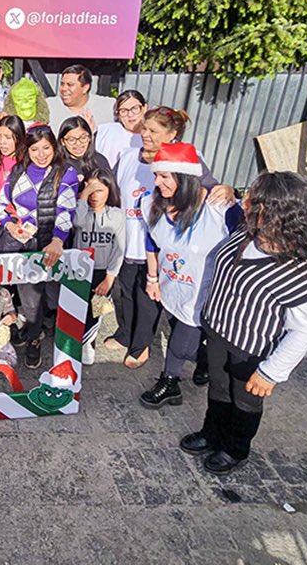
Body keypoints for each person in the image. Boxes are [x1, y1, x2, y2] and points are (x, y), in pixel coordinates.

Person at [180, 172, 307, 476]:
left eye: (253, 200)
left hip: (253, 349)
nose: (245, 202)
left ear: (279, 212)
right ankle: (212, 433)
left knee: (245, 400)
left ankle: (235, 447)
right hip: (219, 332)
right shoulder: (249, 230)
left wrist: (270, 373)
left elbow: (306, 332)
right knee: (219, 388)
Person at [111, 107, 233, 368]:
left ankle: (146, 346)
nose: (145, 134)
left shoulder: (187, 160)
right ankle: (128, 335)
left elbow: (211, 190)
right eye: (144, 128)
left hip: (168, 248)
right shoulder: (130, 156)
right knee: (128, 292)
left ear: (172, 134)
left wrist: (227, 189)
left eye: (153, 131)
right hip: (133, 241)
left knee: (154, 301)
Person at [139, 143, 242, 410]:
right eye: (155, 175)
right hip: (171, 286)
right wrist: (152, 278)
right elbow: (151, 241)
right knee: (182, 332)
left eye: (164, 176)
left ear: (185, 178)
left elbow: (248, 239)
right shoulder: (152, 204)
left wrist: (233, 192)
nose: (156, 182)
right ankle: (206, 359)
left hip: (206, 292)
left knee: (181, 344)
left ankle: (170, 382)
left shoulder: (219, 208)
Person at [0, 124, 79, 369]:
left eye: (46, 148)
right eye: (34, 149)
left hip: (52, 245)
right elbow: (1, 205)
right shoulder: (18, 171)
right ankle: (34, 337)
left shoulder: (66, 173)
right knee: (30, 297)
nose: (41, 155)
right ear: (26, 150)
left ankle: (48, 327)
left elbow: (66, 210)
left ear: (54, 147)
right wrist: (10, 225)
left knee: (52, 296)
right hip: (24, 245)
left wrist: (58, 239)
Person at [72, 167, 126, 366]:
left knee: (95, 310)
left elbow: (119, 249)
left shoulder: (117, 216)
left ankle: (89, 343)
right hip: (79, 269)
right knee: (77, 308)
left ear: (110, 190)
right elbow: (76, 221)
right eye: (90, 190)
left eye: (100, 190)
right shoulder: (82, 211)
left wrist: (110, 278)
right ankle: (75, 341)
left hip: (102, 272)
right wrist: (84, 194)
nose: (95, 196)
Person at [47, 64, 116, 134]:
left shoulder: (109, 106)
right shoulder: (49, 105)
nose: (64, 89)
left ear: (85, 88)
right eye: (62, 84)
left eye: (70, 85)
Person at [95, 90, 146, 168]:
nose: (130, 114)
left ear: (144, 108)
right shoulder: (105, 132)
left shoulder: (152, 136)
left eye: (135, 108)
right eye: (123, 111)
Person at [58, 116, 110, 183]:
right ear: (62, 141)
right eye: (71, 140)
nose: (78, 143)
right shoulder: (58, 165)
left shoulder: (99, 161)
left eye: (83, 138)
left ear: (89, 138)